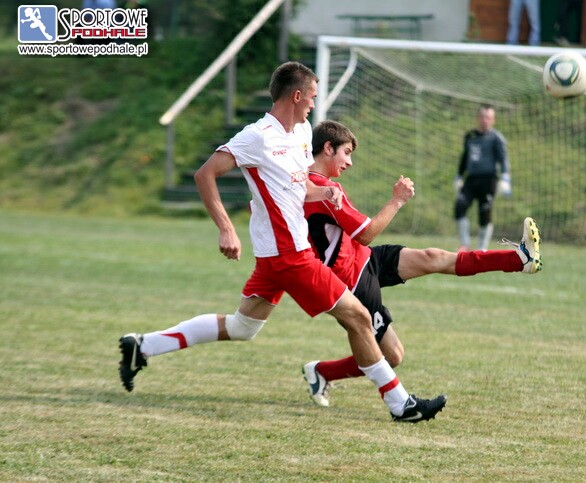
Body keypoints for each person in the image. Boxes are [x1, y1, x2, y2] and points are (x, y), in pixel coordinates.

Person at [117, 62, 447, 423]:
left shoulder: (302, 132)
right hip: (290, 256)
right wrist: (226, 228)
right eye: (312, 97)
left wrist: (324, 193)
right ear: (297, 95)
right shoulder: (257, 137)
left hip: (276, 256)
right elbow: (205, 173)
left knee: (242, 327)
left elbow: (297, 187)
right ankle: (401, 405)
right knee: (358, 317)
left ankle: (143, 345)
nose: (314, 104)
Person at [301, 120, 542, 407]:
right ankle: (323, 372)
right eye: (347, 152)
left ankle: (519, 259)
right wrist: (397, 200)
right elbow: (366, 233)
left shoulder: (317, 186)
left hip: (364, 259)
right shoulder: (320, 189)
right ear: (328, 148)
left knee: (434, 257)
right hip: (350, 282)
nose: (349, 162)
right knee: (393, 355)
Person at [454, 105, 510, 252]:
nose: (485, 120)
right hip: (471, 179)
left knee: (484, 213)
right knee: (460, 207)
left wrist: (505, 177)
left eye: (488, 117)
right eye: (482, 117)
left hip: (489, 180)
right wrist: (459, 176)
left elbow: (503, 158)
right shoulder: (470, 136)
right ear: (477, 118)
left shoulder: (496, 138)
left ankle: (481, 248)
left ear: (493, 120)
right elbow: (465, 157)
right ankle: (465, 244)